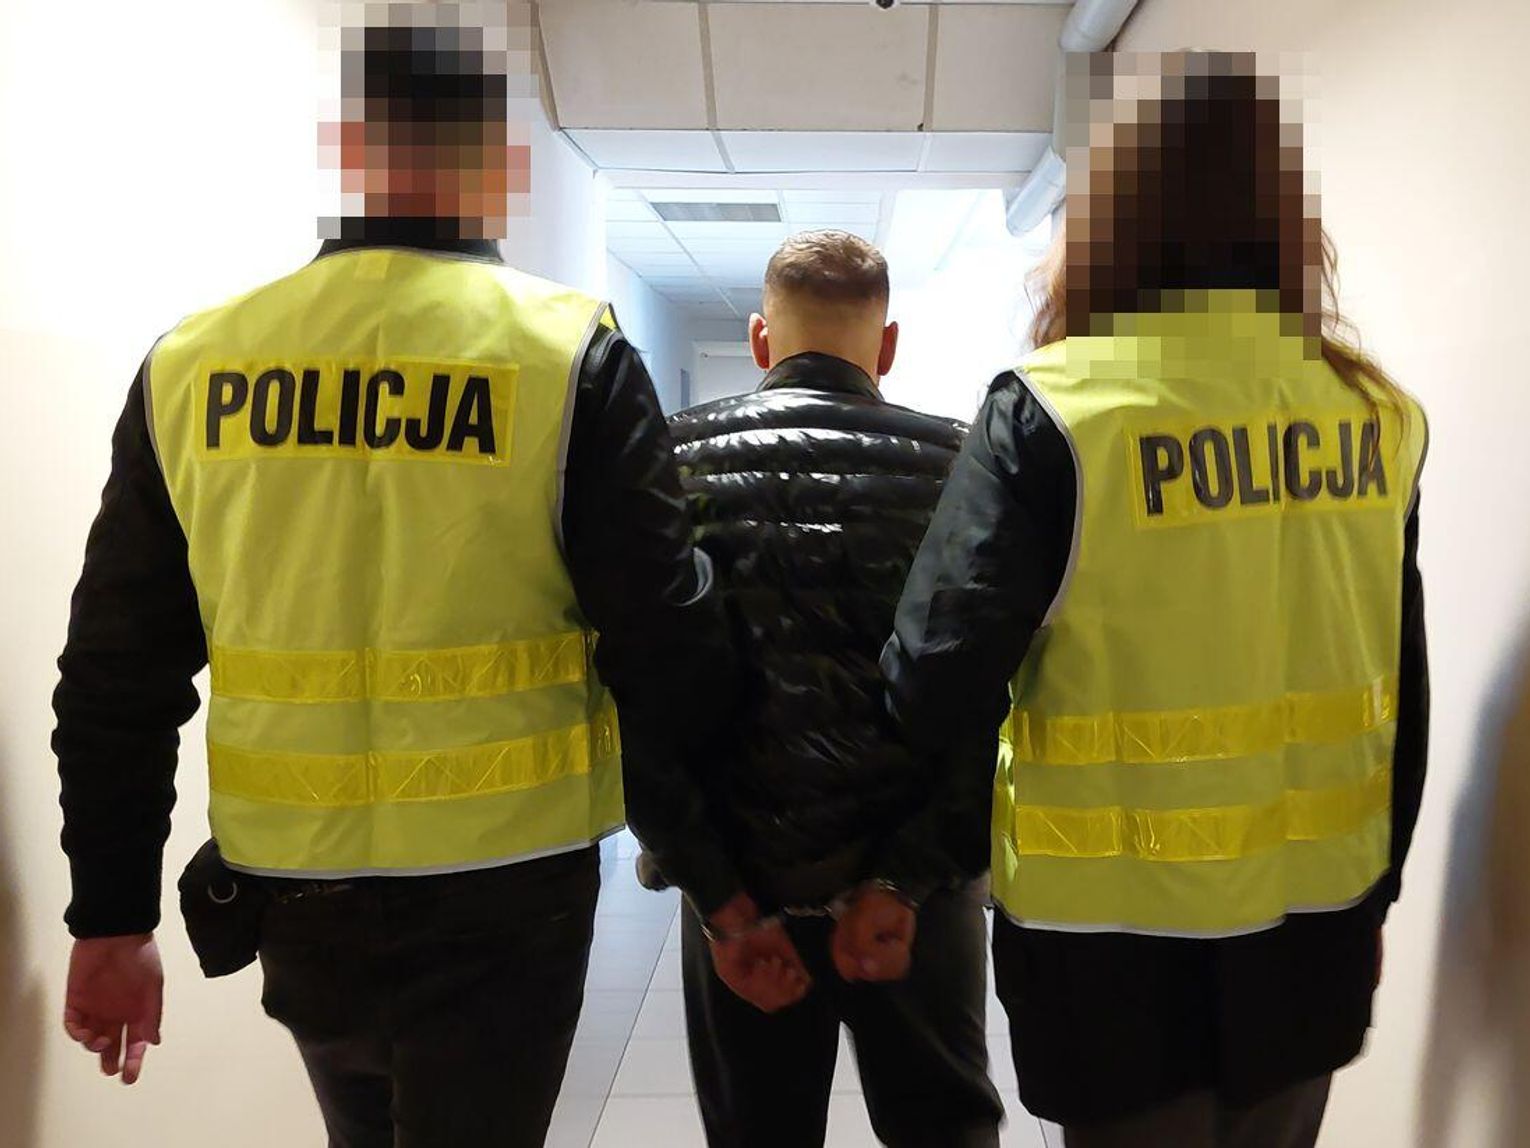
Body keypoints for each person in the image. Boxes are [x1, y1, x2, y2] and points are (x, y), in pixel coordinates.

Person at [52, 16, 736, 1148]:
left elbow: (115, 670)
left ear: (345, 152)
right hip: (509, 886)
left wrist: (110, 914)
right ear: (497, 166)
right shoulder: (566, 354)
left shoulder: (195, 362)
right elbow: (664, 642)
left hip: (297, 892)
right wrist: (720, 865)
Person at [882, 52, 1429, 1148]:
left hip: (1110, 953)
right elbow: (1402, 683)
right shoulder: (1374, 413)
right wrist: (1379, 891)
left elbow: (932, 682)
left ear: (1109, 220)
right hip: (1313, 926)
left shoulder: (1055, 410)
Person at [633, 230, 1004, 1147]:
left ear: (762, 340)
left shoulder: (670, 461)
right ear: (888, 346)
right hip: (913, 906)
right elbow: (983, 699)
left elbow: (642, 704)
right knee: (943, 1132)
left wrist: (720, 898)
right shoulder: (961, 465)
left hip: (743, 895)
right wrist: (906, 880)